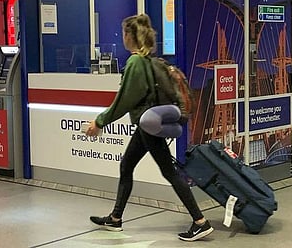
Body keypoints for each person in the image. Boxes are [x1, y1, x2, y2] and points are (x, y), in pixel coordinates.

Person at [85, 13, 213, 242]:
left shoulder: (135, 62)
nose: (122, 36)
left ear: (131, 36)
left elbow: (124, 100)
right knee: (127, 165)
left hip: (147, 125)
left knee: (169, 172)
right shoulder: (147, 60)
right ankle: (115, 218)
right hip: (148, 123)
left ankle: (200, 221)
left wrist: (99, 121)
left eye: (125, 32)